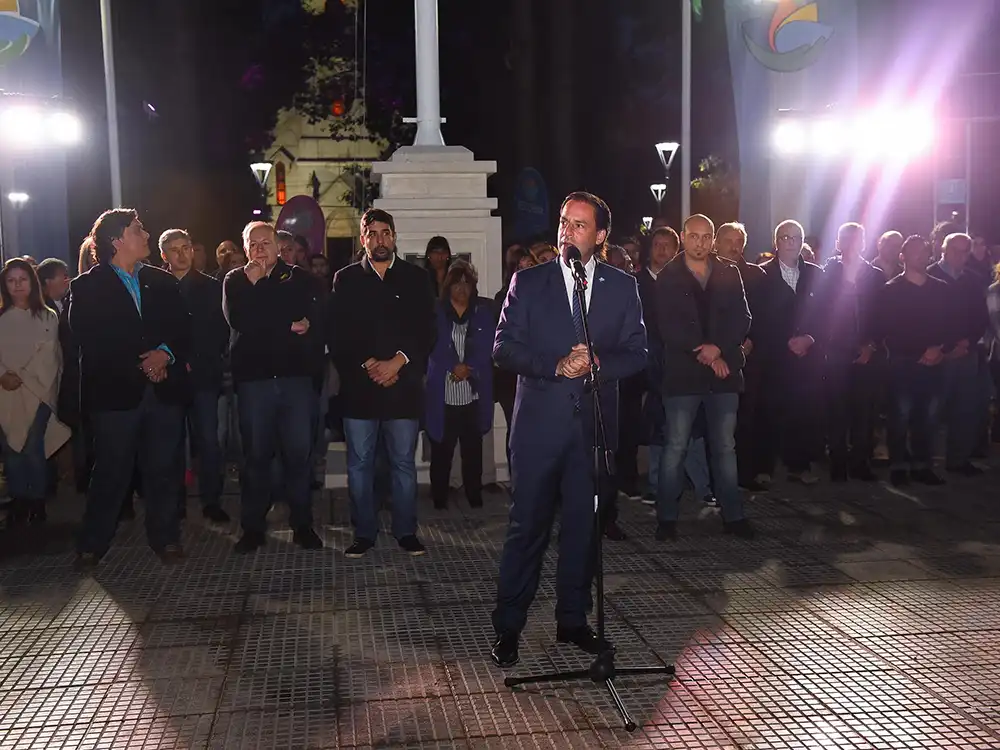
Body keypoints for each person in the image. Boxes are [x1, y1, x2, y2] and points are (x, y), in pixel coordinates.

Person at [490, 191, 646, 669]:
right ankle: (508, 626)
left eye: (579, 225)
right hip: (539, 429)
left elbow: (639, 351)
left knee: (583, 531)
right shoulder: (528, 282)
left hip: (592, 431)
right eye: (563, 222)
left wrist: (599, 363)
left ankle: (572, 620)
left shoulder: (622, 286)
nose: (567, 232)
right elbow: (502, 349)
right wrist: (554, 365)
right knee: (527, 529)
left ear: (600, 237)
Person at [68, 209, 190, 569]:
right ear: (117, 239)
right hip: (115, 396)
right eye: (138, 230)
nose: (147, 234)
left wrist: (164, 355)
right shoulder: (87, 286)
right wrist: (144, 364)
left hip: (163, 392)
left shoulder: (163, 282)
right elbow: (91, 339)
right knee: (110, 471)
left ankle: (166, 539)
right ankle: (92, 543)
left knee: (164, 470)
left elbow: (183, 329)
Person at [328, 208, 437, 557]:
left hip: (403, 388)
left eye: (385, 232)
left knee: (404, 463)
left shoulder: (416, 279)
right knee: (359, 464)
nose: (379, 239)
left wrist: (398, 362)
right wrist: (370, 364)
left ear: (394, 236)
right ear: (362, 239)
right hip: (360, 389)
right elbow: (339, 333)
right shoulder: (345, 279)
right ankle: (364, 533)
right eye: (371, 233)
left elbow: (427, 331)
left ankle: (406, 531)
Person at [223, 221, 324, 553]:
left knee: (298, 455)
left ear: (278, 246)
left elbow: (303, 320)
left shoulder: (299, 278)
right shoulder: (236, 280)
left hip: (295, 380)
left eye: (265, 242)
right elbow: (242, 321)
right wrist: (279, 319)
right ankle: (253, 528)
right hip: (254, 383)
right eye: (252, 244)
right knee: (256, 457)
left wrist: (267, 312)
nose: (258, 249)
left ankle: (303, 524)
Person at [652, 215, 753, 540]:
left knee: (725, 446)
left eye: (705, 236)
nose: (700, 242)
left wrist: (719, 349)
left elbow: (743, 317)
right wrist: (707, 353)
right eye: (694, 236)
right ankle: (666, 519)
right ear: (683, 237)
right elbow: (667, 327)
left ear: (712, 239)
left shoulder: (729, 272)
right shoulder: (669, 276)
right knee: (676, 446)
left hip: (723, 374)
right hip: (684, 375)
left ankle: (733, 516)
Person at [159, 229, 231, 522]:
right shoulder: (156, 287)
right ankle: (174, 502)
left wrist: (196, 361)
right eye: (174, 249)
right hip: (169, 377)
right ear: (163, 255)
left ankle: (211, 500)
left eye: (185, 247)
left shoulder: (212, 287)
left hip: (203, 376)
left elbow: (219, 332)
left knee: (208, 441)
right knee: (171, 442)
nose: (181, 254)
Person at [0, 259, 71, 525]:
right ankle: (19, 500)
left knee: (32, 444)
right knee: (11, 448)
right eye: (11, 280)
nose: (18, 285)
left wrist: (22, 377)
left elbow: (50, 356)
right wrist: (3, 376)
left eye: (23, 279)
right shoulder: (2, 319)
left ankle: (37, 499)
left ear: (32, 282)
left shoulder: (47, 316)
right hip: (6, 395)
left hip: (39, 392)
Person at [425, 260, 494, 509]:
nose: (462, 288)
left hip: (473, 394)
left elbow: (488, 344)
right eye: (457, 283)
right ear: (448, 286)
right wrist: (453, 365)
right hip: (443, 393)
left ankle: (474, 495)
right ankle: (439, 497)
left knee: (472, 450)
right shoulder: (436, 312)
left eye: (467, 283)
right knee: (441, 451)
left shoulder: (483, 311)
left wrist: (469, 367)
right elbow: (431, 345)